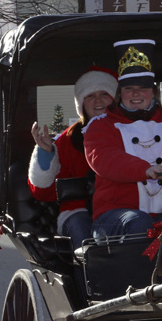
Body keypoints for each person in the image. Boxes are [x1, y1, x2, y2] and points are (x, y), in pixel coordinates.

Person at [83, 39, 162, 238]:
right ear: (120, 94)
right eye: (129, 88)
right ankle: (143, 269)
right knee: (139, 223)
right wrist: (144, 169)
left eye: (144, 88)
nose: (136, 93)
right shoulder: (100, 126)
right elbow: (105, 159)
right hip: (114, 215)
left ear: (154, 92)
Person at [29, 67, 117, 247]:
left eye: (104, 94)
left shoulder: (131, 132)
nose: (98, 100)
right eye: (90, 96)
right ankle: (88, 274)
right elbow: (44, 193)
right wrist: (46, 154)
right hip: (78, 211)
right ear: (82, 104)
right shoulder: (68, 140)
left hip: (123, 207)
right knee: (80, 227)